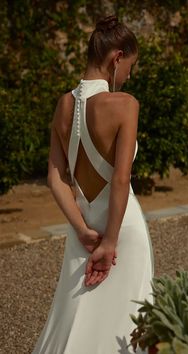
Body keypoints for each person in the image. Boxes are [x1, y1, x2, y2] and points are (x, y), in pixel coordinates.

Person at [32, 15, 154, 354]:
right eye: (131, 65)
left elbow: (55, 177)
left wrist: (84, 231)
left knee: (75, 317)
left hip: (81, 233)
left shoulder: (63, 105)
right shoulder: (125, 105)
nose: (130, 74)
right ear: (117, 57)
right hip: (121, 231)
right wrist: (110, 241)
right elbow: (120, 177)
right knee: (129, 320)